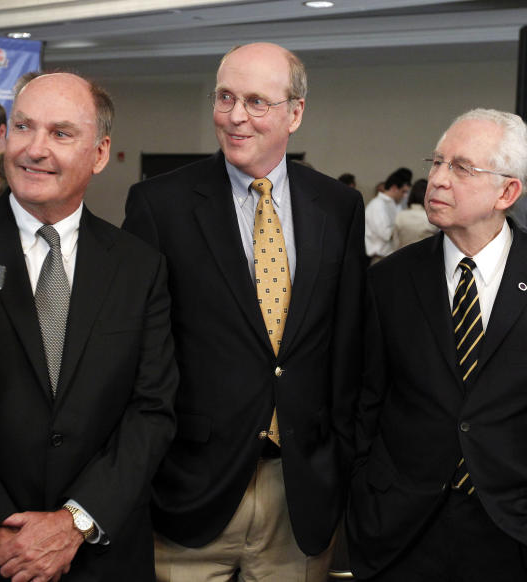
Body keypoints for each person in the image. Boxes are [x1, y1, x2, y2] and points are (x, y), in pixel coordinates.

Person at [0, 73, 178, 581]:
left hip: (92, 555)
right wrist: (1, 525)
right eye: (23, 127)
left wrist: (73, 522)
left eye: (61, 134)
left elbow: (151, 410)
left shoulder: (139, 265)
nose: (35, 149)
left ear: (101, 153)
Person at [124, 42, 365, 581]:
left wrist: (341, 459)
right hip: (190, 492)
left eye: (257, 101)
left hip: (299, 495)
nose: (235, 116)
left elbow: (347, 343)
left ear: (295, 113)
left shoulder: (338, 208)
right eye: (226, 97)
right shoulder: (158, 206)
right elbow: (137, 350)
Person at [347, 108, 527, 582]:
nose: (437, 180)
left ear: (508, 191)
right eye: (437, 162)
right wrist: (365, 496)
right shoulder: (389, 280)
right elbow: (366, 401)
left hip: (525, 534)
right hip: (402, 531)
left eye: (461, 168)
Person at [365, 169, 411, 262]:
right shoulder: (377, 206)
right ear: (394, 188)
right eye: (403, 191)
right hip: (381, 258)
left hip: (391, 257)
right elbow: (386, 234)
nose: (405, 196)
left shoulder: (395, 205)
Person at [392, 178, 438, 249]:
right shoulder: (432, 218)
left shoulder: (400, 216)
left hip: (403, 257)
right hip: (426, 258)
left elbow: (395, 244)